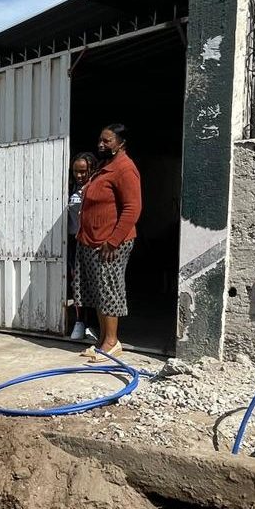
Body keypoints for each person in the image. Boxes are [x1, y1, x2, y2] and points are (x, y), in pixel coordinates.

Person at [73, 123, 142, 362]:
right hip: (93, 241)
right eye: (100, 140)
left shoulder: (125, 169)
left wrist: (113, 241)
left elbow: (133, 208)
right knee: (99, 292)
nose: (101, 144)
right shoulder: (105, 167)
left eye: (107, 140)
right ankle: (103, 340)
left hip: (111, 243)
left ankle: (112, 343)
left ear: (121, 143)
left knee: (109, 290)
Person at [67, 152, 98, 341]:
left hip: (91, 241)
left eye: (83, 171)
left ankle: (92, 324)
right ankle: (79, 321)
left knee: (93, 283)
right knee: (76, 282)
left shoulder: (95, 187)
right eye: (75, 172)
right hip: (73, 241)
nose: (79, 175)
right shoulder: (70, 188)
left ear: (91, 170)